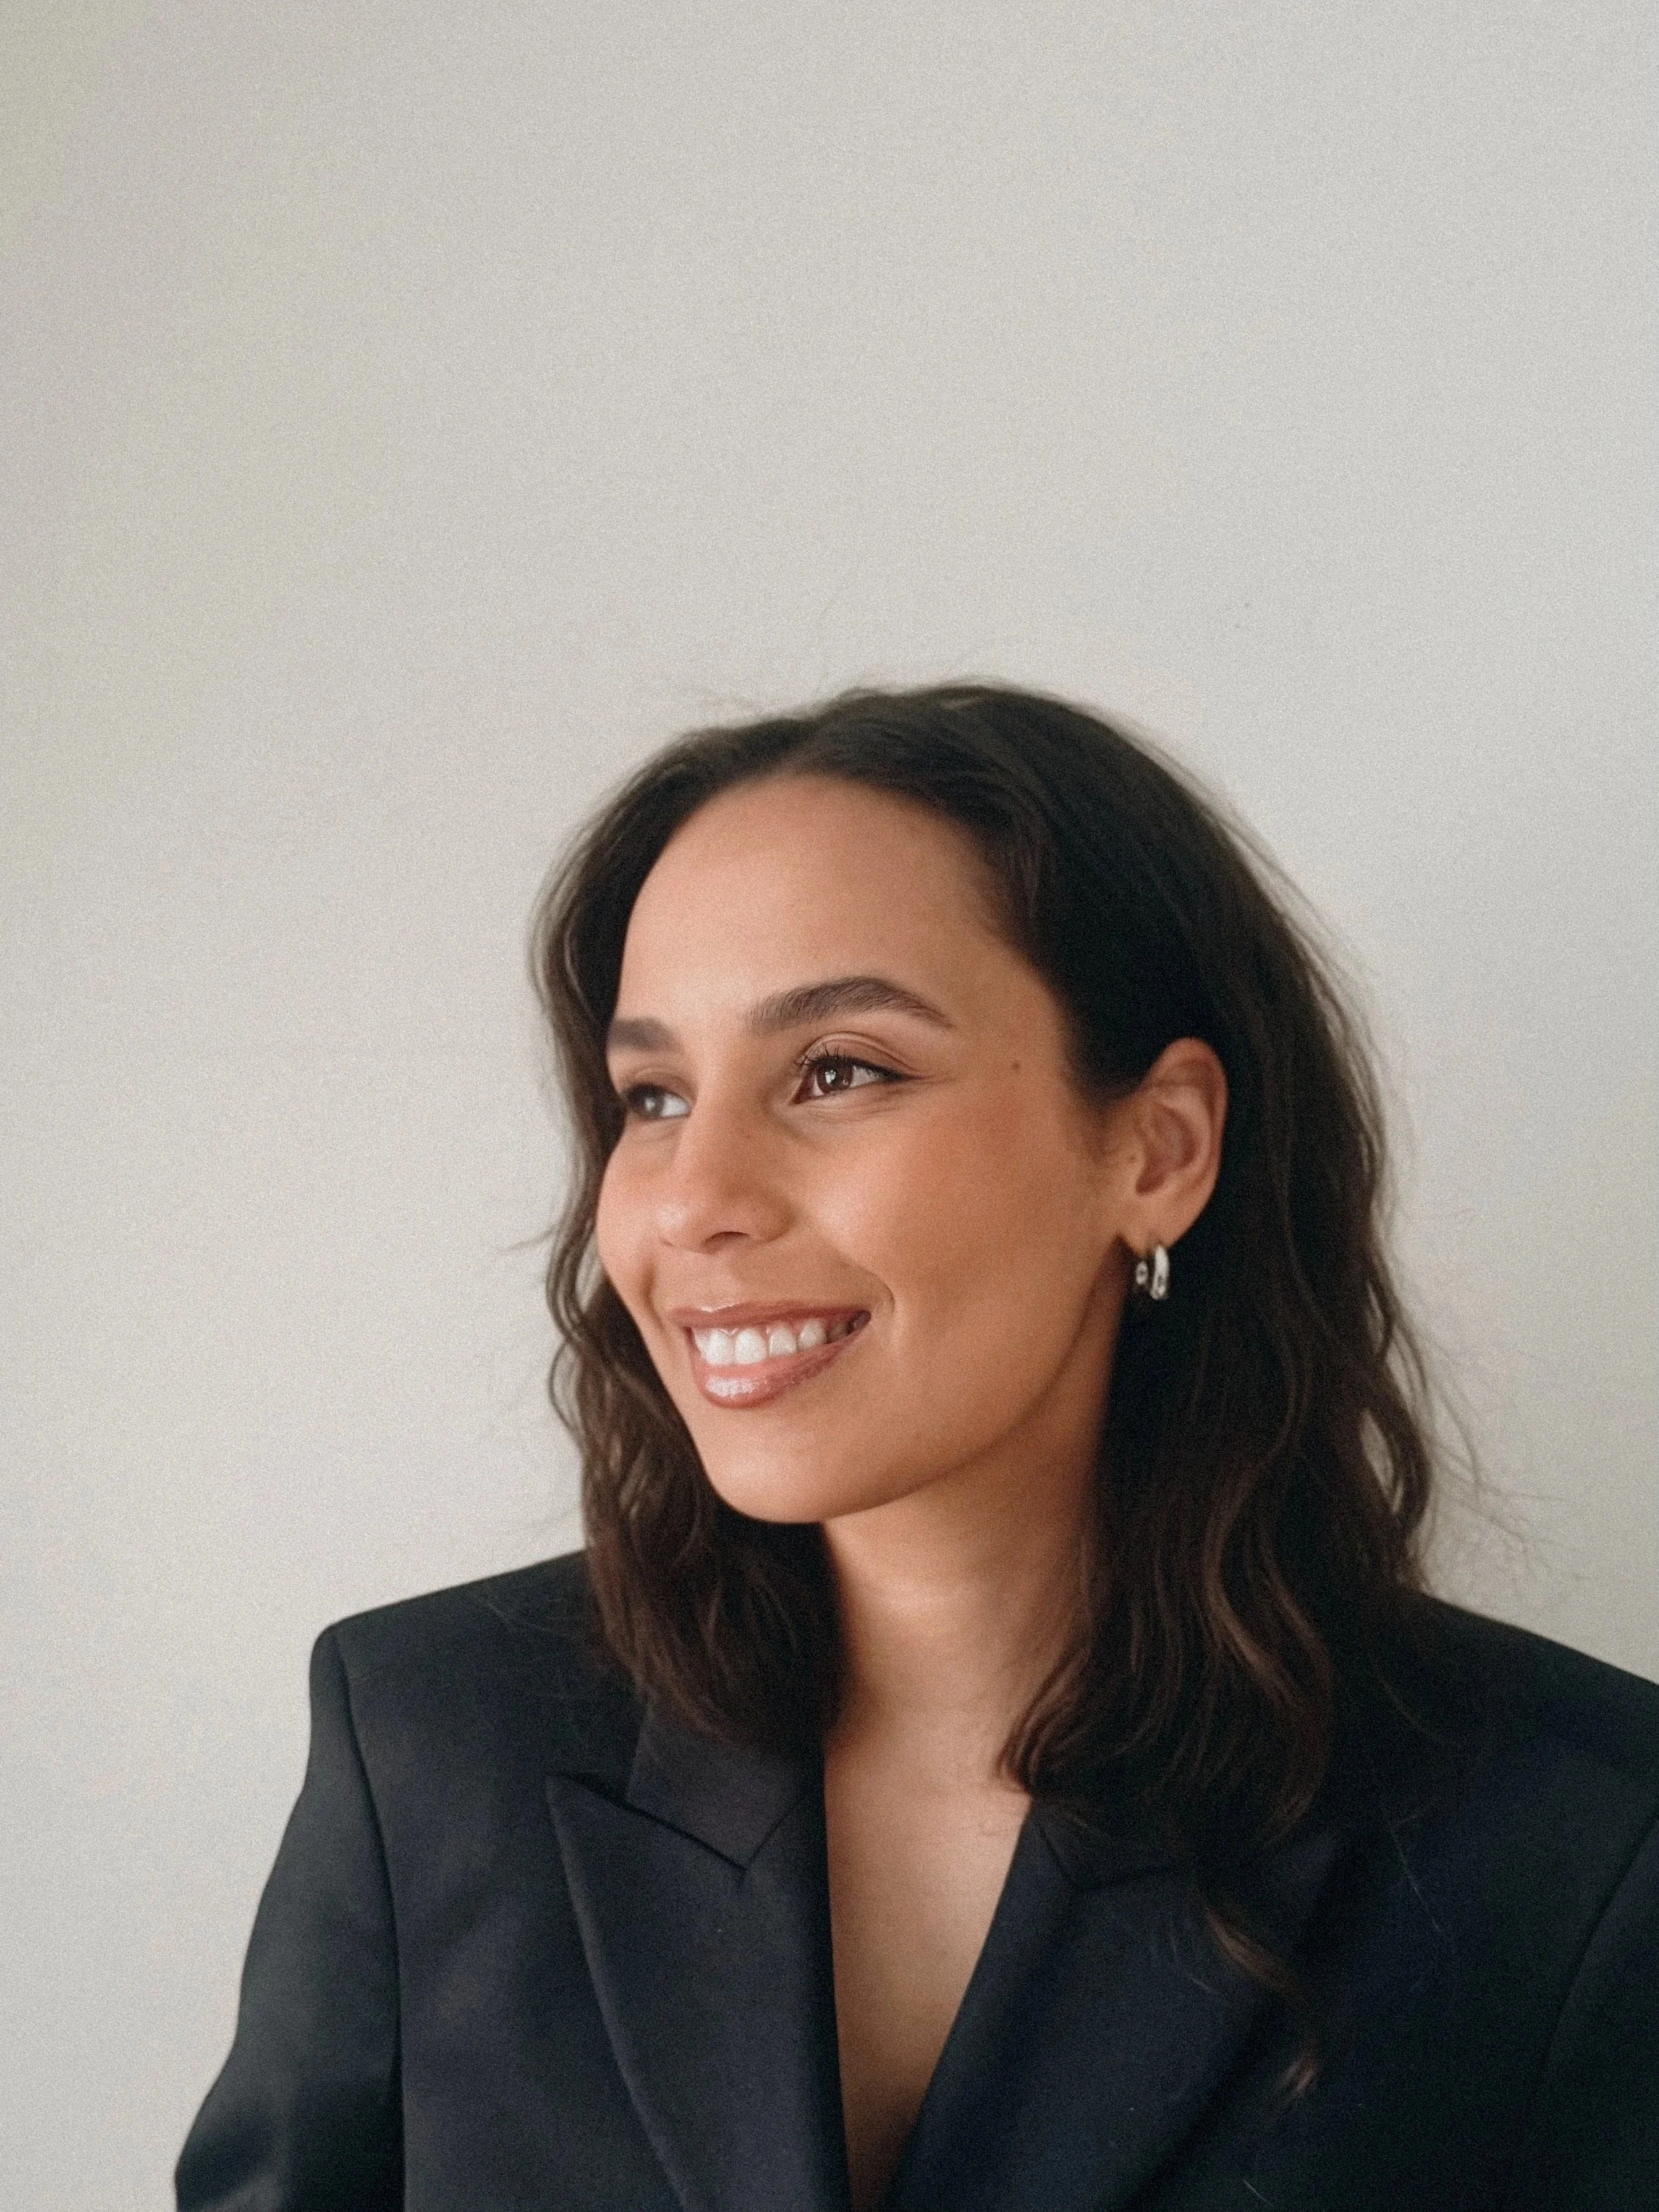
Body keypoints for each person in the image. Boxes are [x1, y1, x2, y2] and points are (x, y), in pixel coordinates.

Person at [177, 684, 1659, 2211]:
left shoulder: (1580, 1847)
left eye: (839, 1069)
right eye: (652, 1095)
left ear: (1157, 1148)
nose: (693, 1199)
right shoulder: (430, 1743)